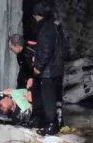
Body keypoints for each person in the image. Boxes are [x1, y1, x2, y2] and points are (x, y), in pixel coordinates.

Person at [31, 2, 65, 136]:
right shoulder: (56, 25)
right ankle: (59, 122)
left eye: (35, 16)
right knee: (57, 99)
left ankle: (51, 125)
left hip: (48, 71)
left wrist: (38, 67)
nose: (34, 19)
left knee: (48, 99)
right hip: (57, 69)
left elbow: (46, 50)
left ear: (39, 15)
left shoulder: (46, 28)